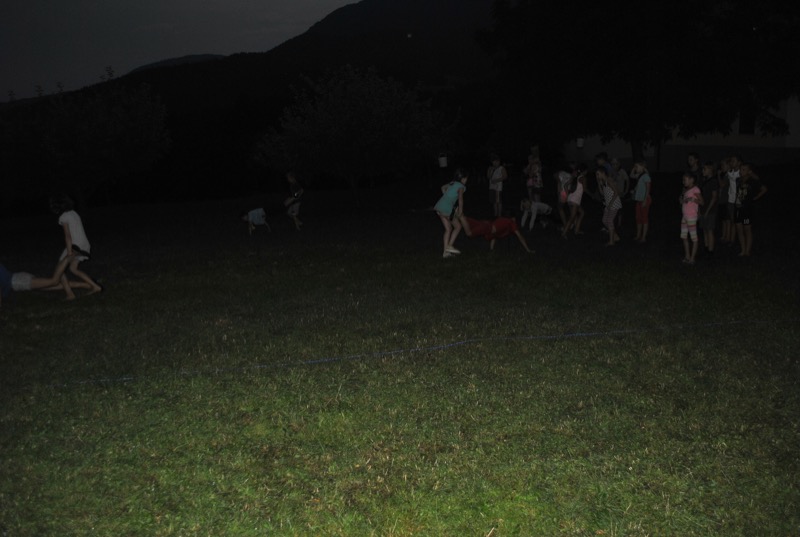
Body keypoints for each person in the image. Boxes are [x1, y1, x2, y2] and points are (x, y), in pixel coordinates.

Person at [49, 194, 103, 300]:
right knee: (73, 269)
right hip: (84, 245)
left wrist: (69, 252)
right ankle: (96, 286)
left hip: (75, 246)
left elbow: (67, 236)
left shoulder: (63, 217)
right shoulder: (74, 213)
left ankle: (70, 294)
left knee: (60, 270)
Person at [0, 254, 89, 308]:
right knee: (55, 285)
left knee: (54, 281)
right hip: (18, 280)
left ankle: (67, 258)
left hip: (18, 281)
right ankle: (86, 285)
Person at [734, 162, 767, 257]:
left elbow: (764, 189)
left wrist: (755, 197)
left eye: (744, 169)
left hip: (747, 209)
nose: (741, 171)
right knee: (739, 229)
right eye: (741, 169)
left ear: (749, 171)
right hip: (738, 208)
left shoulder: (753, 181)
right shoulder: (738, 180)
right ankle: (743, 250)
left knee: (747, 229)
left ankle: (747, 251)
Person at [434, 168, 468, 258]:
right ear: (463, 179)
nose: (466, 180)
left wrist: (447, 197)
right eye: (466, 179)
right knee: (457, 227)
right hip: (446, 208)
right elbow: (460, 199)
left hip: (440, 206)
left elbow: (442, 187)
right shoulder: (461, 186)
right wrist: (460, 211)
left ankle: (446, 252)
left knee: (449, 228)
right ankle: (449, 247)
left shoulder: (452, 183)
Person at [459, 215, 534, 253]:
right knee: (469, 233)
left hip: (485, 224)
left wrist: (491, 249)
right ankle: (460, 216)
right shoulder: (511, 223)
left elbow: (494, 236)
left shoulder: (503, 220)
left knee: (468, 221)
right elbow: (520, 237)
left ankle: (458, 215)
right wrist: (528, 249)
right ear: (513, 218)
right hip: (486, 227)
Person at [680, 172, 704, 264]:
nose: (683, 182)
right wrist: (682, 200)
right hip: (684, 217)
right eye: (683, 180)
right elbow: (683, 201)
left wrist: (692, 199)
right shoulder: (685, 190)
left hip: (691, 217)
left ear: (691, 180)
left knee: (694, 238)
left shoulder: (695, 189)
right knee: (684, 237)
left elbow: (702, 202)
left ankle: (692, 258)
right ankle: (687, 256)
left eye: (685, 180)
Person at [597, 167, 622, 246]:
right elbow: (602, 193)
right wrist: (599, 184)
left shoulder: (609, 180)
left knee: (609, 221)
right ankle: (615, 236)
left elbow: (616, 192)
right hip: (608, 204)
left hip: (614, 204)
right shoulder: (604, 182)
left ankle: (611, 241)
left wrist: (611, 203)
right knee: (604, 220)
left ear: (603, 173)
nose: (597, 176)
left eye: (598, 174)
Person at [698, 161, 719, 255]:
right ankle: (706, 247)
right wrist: (700, 209)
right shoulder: (704, 181)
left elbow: (714, 197)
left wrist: (707, 211)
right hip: (703, 208)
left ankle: (711, 250)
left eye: (705, 169)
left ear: (711, 170)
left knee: (710, 230)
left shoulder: (713, 181)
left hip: (710, 210)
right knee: (704, 229)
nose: (703, 171)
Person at [562, 164, 586, 238]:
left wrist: (567, 196)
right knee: (572, 217)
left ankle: (576, 230)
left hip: (570, 199)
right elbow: (585, 189)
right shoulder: (582, 178)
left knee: (582, 213)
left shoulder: (574, 178)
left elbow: (565, 185)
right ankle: (564, 234)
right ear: (584, 171)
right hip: (575, 200)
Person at [631, 159, 652, 243]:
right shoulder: (639, 175)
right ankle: (638, 235)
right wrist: (634, 168)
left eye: (637, 166)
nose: (635, 168)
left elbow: (648, 188)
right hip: (639, 200)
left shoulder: (646, 176)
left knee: (644, 218)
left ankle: (643, 237)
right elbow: (631, 175)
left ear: (643, 167)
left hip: (644, 200)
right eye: (634, 166)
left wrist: (645, 200)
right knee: (638, 218)